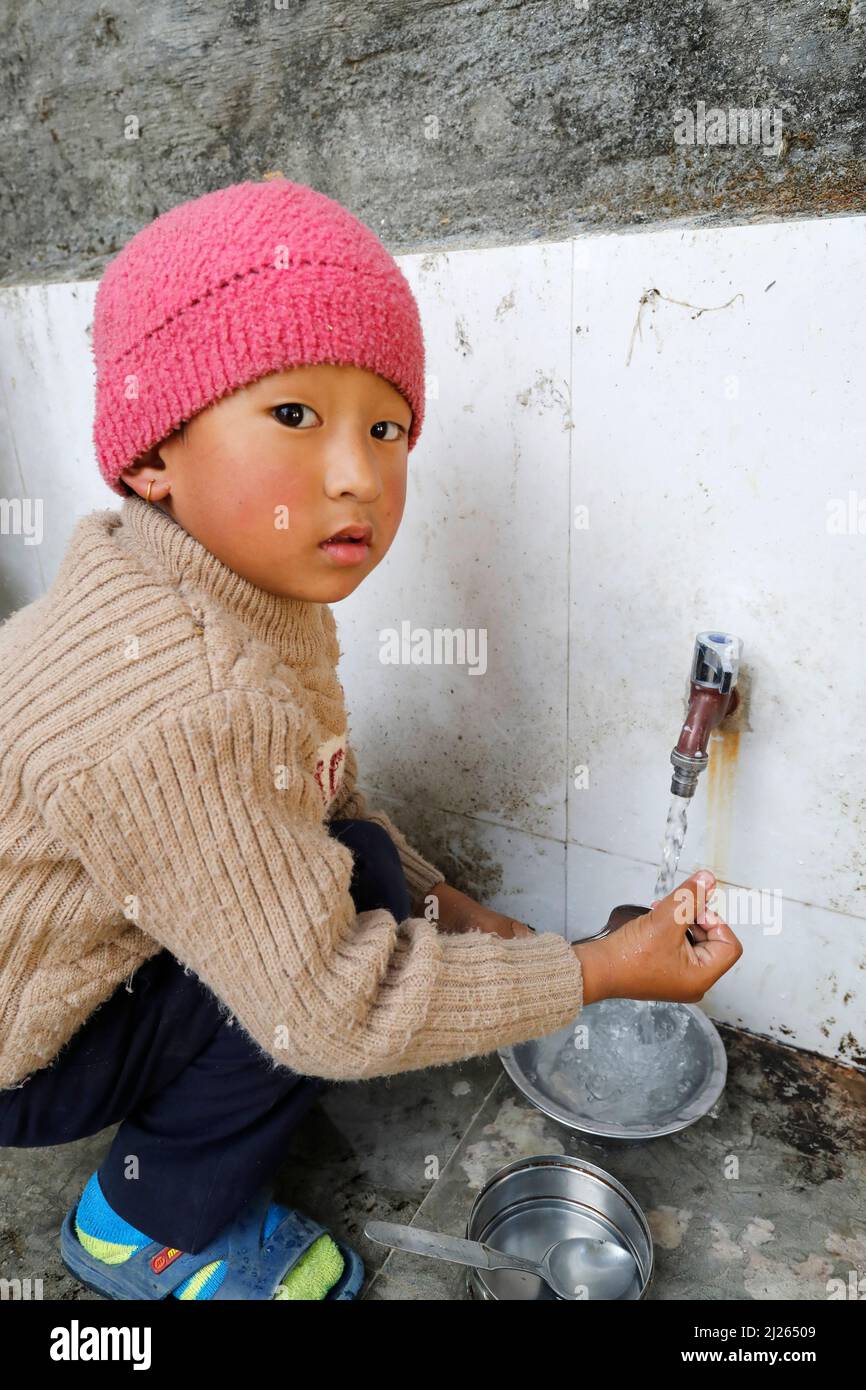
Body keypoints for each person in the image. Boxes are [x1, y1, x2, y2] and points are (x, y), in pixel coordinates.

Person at [0, 178, 742, 1301]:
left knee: (371, 872)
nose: (357, 474)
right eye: (293, 415)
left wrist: (482, 926)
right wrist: (587, 973)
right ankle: (138, 1228)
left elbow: (319, 819)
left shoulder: (196, 581)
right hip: (22, 1053)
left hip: (65, 945)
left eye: (385, 426)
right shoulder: (189, 698)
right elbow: (329, 1007)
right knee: (310, 976)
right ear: (153, 453)